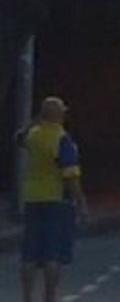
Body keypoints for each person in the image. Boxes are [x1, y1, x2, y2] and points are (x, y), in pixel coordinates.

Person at [18, 96, 88, 302]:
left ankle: (27, 297)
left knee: (29, 252)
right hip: (57, 200)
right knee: (53, 253)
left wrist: (35, 121)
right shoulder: (62, 139)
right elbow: (71, 176)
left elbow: (18, 138)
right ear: (60, 115)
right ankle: (50, 296)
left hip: (32, 198)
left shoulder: (33, 135)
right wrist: (82, 203)